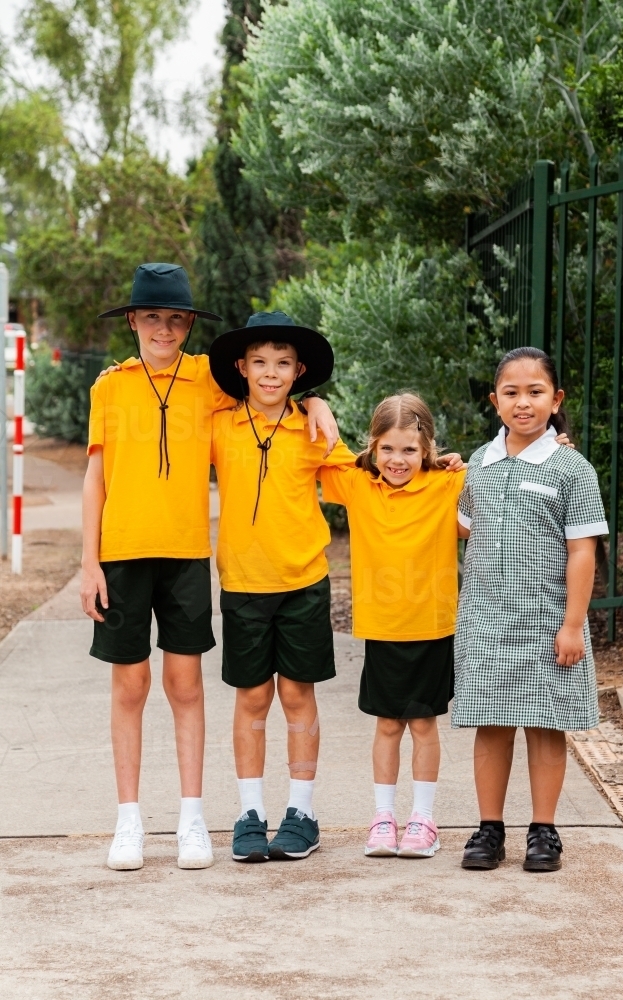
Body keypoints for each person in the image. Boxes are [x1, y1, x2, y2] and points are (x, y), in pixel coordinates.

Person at [81, 266, 338, 872]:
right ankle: (129, 821)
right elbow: (96, 476)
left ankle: (192, 818)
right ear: (133, 321)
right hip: (119, 553)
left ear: (190, 324)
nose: (163, 329)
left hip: (188, 555)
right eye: (151, 317)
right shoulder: (109, 387)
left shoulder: (207, 381)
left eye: (175, 319)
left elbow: (271, 392)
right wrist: (88, 560)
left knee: (186, 686)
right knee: (130, 686)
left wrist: (316, 400)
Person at [208, 311, 358, 863]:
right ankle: (250, 813)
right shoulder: (219, 425)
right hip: (243, 586)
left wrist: (430, 470)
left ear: (299, 372)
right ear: (242, 368)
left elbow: (357, 483)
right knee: (251, 699)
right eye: (261, 363)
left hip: (303, 584)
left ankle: (303, 812)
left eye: (283, 364)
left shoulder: (313, 428)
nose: (271, 374)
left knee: (297, 696)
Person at [455, 346, 608, 873]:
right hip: (486, 623)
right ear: (495, 400)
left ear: (556, 399)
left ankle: (544, 830)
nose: (523, 403)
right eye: (512, 393)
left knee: (547, 726)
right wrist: (441, 470)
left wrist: (572, 625)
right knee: (491, 725)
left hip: (548, 623)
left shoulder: (572, 467)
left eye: (535, 392)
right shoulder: (479, 462)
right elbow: (462, 526)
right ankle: (489, 829)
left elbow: (583, 550)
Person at [320, 393, 466, 858]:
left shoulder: (450, 484)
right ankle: (383, 818)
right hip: (382, 628)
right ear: (373, 446)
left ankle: (423, 819)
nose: (397, 459)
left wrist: (557, 443)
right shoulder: (357, 485)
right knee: (386, 724)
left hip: (432, 626)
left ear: (427, 448)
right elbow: (315, 449)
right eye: (387, 449)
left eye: (409, 449)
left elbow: (509, 471)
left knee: (423, 723)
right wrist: (316, 403)